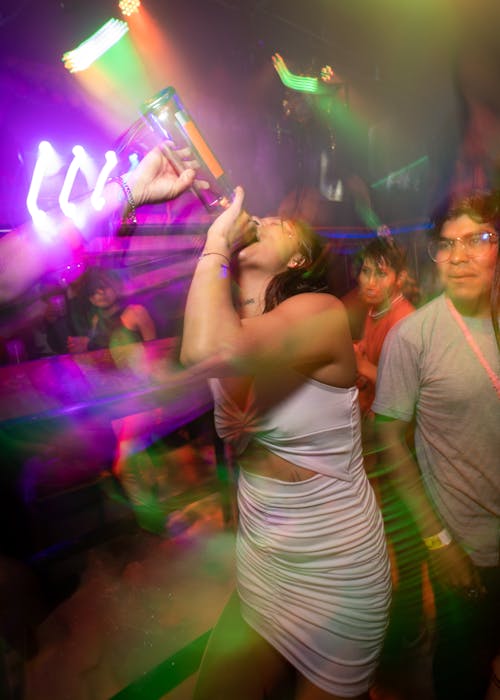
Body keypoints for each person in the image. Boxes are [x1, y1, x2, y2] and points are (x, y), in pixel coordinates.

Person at [179, 190, 391, 699]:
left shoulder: (317, 310)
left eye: (283, 223)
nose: (266, 218)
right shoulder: (231, 317)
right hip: (264, 561)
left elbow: (207, 351)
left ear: (297, 260)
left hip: (336, 569)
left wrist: (214, 243)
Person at [373, 189, 500, 700]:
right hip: (469, 548)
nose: (460, 255)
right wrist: (437, 542)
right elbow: (388, 441)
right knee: (461, 670)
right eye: (447, 245)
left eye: (479, 239)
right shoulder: (414, 337)